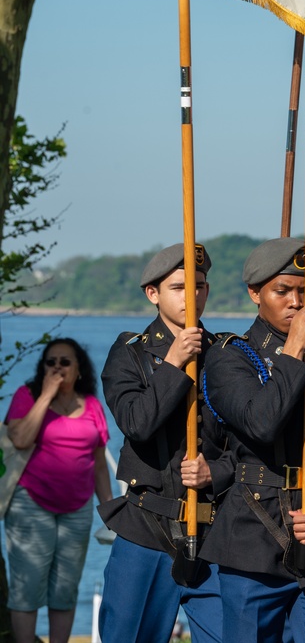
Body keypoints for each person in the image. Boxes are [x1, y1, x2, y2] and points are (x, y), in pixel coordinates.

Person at [201, 238, 305, 642]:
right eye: (282, 291)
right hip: (252, 540)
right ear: (254, 294)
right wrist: (295, 350)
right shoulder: (231, 356)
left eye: (304, 291)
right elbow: (261, 423)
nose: (296, 302)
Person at [98, 243, 226, 642]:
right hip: (147, 528)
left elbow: (251, 438)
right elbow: (137, 423)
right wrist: (173, 363)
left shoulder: (226, 352)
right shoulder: (130, 354)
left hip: (217, 532)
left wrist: (216, 471)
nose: (194, 296)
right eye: (180, 287)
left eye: (201, 286)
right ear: (153, 294)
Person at [3, 338, 113, 643]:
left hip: (76, 509)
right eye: (50, 362)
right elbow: (21, 439)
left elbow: (100, 465)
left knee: (65, 590)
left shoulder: (91, 404)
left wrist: (110, 511)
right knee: (27, 588)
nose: (57, 367)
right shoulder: (27, 396)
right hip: (30, 504)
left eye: (65, 362)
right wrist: (46, 396)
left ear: (78, 369)